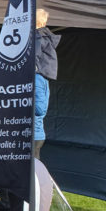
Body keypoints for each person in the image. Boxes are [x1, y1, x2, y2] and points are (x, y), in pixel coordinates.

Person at [34, 8, 59, 159]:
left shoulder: (38, 36)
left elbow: (34, 56)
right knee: (39, 112)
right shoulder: (46, 36)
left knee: (37, 111)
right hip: (43, 76)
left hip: (37, 75)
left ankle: (35, 147)